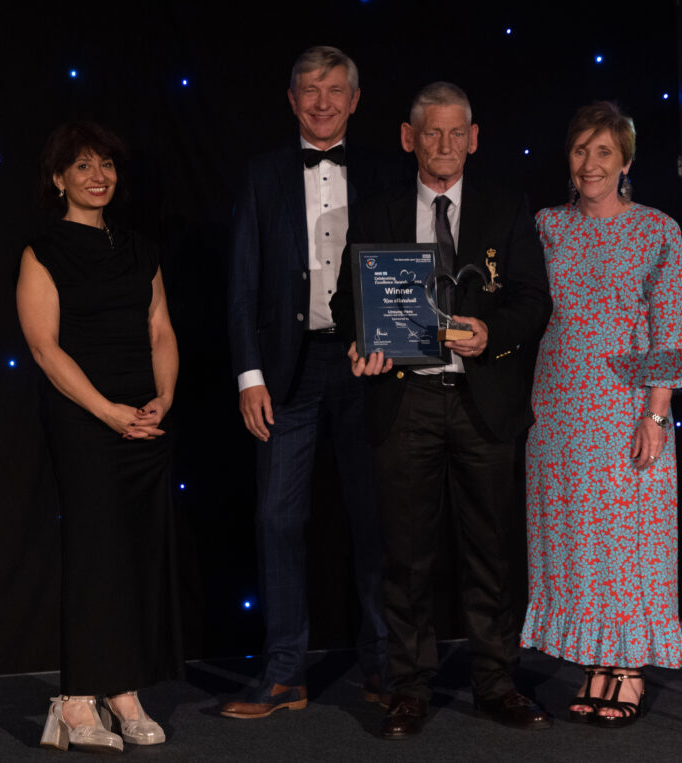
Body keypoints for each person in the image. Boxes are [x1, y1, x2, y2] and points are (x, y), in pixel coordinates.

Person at [331, 82, 553, 738]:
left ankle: (496, 682)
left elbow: (533, 301)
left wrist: (492, 334)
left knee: (491, 550)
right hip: (406, 401)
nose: (446, 145)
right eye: (433, 132)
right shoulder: (376, 212)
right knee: (406, 555)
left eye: (458, 133)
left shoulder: (506, 207)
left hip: (485, 401)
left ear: (474, 139)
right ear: (410, 138)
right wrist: (360, 342)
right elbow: (347, 301)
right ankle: (408, 688)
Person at [222, 45, 398, 719]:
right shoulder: (261, 173)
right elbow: (241, 283)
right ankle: (284, 673)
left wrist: (391, 345)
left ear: (354, 100)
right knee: (277, 518)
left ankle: (384, 665)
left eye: (335, 90)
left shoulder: (385, 170)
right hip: (285, 372)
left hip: (366, 367)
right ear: (292, 100)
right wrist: (249, 375)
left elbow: (407, 267)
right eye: (310, 90)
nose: (323, 102)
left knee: (375, 518)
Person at [520, 101, 682, 728]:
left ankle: (629, 669)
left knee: (629, 542)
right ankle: (595, 663)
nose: (590, 164)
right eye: (580, 151)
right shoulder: (545, 227)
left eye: (604, 152)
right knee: (574, 542)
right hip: (559, 406)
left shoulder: (657, 230)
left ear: (625, 162)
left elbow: (667, 327)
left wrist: (656, 414)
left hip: (627, 409)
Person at [16, 122, 179, 752]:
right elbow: (43, 347)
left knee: (137, 551)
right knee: (95, 551)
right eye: (82, 166)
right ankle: (76, 699)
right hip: (84, 416)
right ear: (59, 179)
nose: (97, 176)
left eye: (106, 164)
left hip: (144, 415)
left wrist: (163, 397)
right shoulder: (42, 251)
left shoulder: (140, 248)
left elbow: (160, 327)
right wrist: (107, 412)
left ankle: (123, 691)